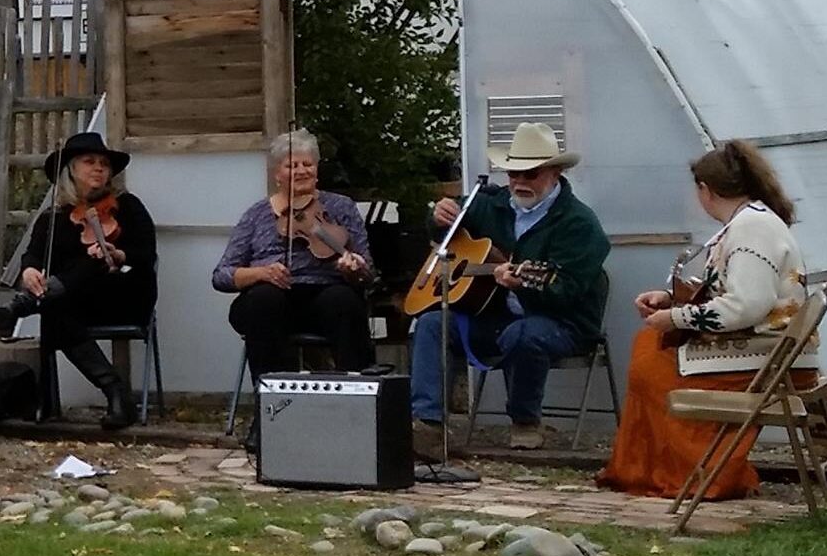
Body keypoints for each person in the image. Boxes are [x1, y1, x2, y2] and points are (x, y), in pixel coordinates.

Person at [597, 141, 812, 499]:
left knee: (651, 367)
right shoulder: (749, 221)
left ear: (705, 190)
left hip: (770, 358)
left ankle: (700, 474)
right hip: (767, 348)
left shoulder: (750, 229)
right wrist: (671, 300)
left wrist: (678, 318)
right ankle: (671, 467)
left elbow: (747, 304)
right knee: (649, 347)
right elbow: (737, 290)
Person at [411, 122, 610, 456]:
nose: (519, 182)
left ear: (555, 171)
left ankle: (526, 420)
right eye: (512, 173)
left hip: (562, 322)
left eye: (530, 174)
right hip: (496, 316)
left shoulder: (580, 224)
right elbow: (444, 231)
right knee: (433, 323)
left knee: (525, 333)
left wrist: (524, 285)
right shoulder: (491, 203)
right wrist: (438, 217)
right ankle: (426, 425)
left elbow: (568, 291)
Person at [0, 132, 159, 430]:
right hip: (74, 306)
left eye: (103, 163)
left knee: (92, 262)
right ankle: (116, 392)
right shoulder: (54, 218)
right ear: (71, 170)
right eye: (89, 162)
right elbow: (32, 255)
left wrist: (118, 254)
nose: (99, 168)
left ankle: (23, 305)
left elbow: (146, 254)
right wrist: (29, 271)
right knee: (56, 307)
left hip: (124, 296)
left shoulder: (129, 207)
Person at [214, 129, 375, 387]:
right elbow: (221, 275)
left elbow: (368, 272)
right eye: (292, 165)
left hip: (326, 297)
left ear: (317, 170)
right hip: (273, 302)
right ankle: (272, 403)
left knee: (343, 300)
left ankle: (355, 399)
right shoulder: (256, 215)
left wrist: (353, 268)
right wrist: (261, 273)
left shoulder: (340, 207)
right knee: (264, 300)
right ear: (277, 174)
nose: (301, 170)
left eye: (307, 164)